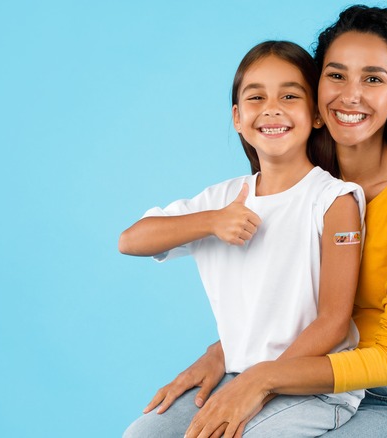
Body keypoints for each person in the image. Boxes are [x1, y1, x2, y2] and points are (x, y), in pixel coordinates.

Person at [156, 5, 387, 438]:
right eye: (336, 76)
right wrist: (221, 355)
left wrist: (262, 378)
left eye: (372, 79)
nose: (350, 95)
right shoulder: (309, 180)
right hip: (295, 375)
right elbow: (281, 304)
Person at [119, 40, 367, 437]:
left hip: (314, 387)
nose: (272, 108)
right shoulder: (221, 200)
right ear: (237, 117)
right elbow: (131, 240)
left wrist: (259, 384)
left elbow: (334, 323)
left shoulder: (333, 200)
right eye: (256, 97)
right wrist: (212, 222)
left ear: (316, 115)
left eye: (290, 95)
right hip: (236, 374)